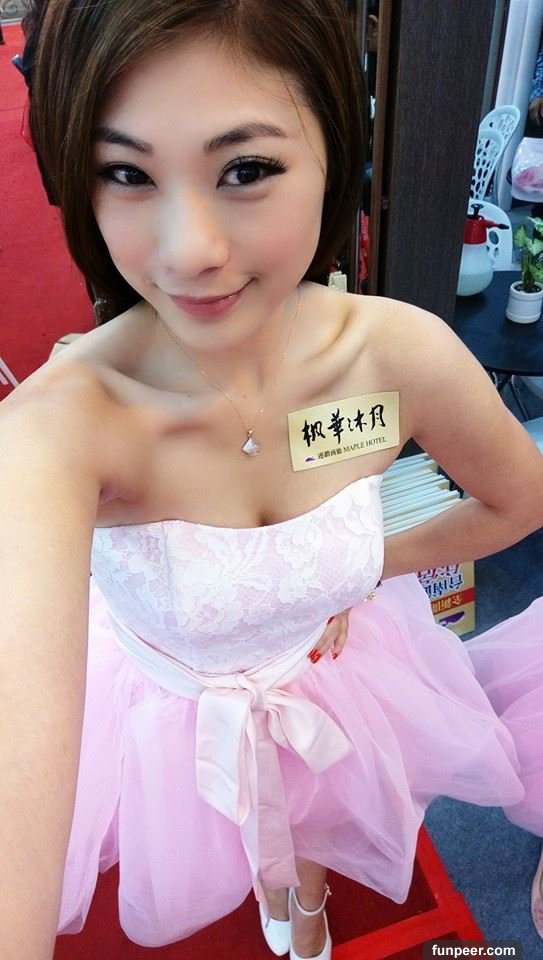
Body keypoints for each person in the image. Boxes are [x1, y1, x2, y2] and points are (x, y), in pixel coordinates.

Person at [2, 2, 543, 959]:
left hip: (329, 673)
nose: (188, 251)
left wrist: (350, 568)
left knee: (317, 813)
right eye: (127, 173)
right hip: (169, 701)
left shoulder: (398, 356)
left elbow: (516, 500)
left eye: (245, 169)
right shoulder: (60, 428)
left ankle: (306, 906)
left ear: (333, 148)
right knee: (239, 824)